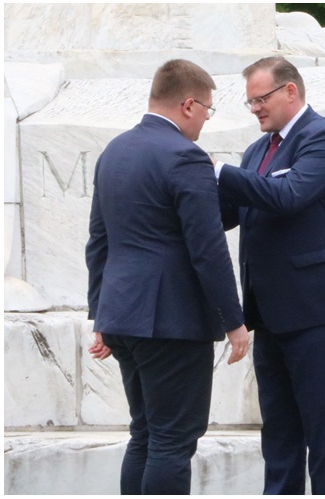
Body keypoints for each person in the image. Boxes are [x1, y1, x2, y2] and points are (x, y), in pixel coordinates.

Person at [84, 59, 249, 495]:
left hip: (123, 317)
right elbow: (208, 249)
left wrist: (101, 316)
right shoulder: (184, 157)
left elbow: (98, 242)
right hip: (172, 322)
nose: (205, 122)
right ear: (189, 104)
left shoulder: (113, 151)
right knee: (173, 441)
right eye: (208, 111)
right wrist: (234, 322)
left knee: (146, 435)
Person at [211, 56, 325, 495]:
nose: (255, 109)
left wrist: (220, 171)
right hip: (270, 313)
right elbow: (232, 211)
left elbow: (289, 195)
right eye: (250, 103)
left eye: (260, 99)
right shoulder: (258, 150)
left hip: (322, 312)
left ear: (290, 92)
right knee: (278, 435)